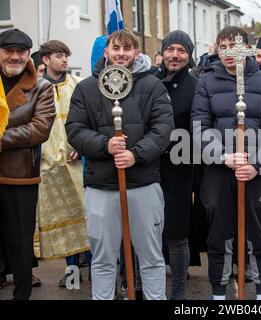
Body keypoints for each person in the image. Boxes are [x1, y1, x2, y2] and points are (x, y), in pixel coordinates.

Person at [65, 29, 174, 300]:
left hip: (143, 183)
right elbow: (75, 130)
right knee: (102, 259)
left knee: (151, 256)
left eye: (127, 49)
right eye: (116, 48)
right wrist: (105, 145)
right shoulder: (86, 88)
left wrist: (136, 154)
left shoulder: (152, 86)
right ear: (106, 52)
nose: (121, 53)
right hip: (101, 185)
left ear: (137, 53)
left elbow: (163, 127)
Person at [191, 26, 261, 300]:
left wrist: (256, 164)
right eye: (223, 47)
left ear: (247, 48)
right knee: (219, 234)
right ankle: (220, 294)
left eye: (234, 46)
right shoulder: (206, 82)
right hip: (219, 172)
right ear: (217, 50)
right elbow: (200, 126)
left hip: (256, 173)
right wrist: (224, 157)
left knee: (259, 235)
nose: (229, 53)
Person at [0, 28, 55, 300]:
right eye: (8, 51)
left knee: (20, 242)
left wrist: (0, 138)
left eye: (20, 52)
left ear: (28, 55)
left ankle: (21, 295)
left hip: (20, 175)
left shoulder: (42, 88)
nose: (14, 56)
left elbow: (39, 129)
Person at [36, 40, 91, 287]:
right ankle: (72, 271)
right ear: (45, 60)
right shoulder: (35, 89)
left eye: (66, 56)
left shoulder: (77, 86)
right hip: (48, 165)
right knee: (64, 218)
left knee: (87, 213)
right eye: (59, 56)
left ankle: (95, 268)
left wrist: (81, 147)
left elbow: (88, 120)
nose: (65, 60)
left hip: (77, 161)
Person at [151, 30, 197, 300]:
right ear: (163, 52)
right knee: (148, 231)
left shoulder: (195, 86)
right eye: (171, 49)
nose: (175, 55)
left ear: (189, 56)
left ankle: (178, 290)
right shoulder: (148, 82)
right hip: (148, 166)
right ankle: (149, 287)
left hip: (179, 167)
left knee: (176, 233)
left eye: (182, 51)